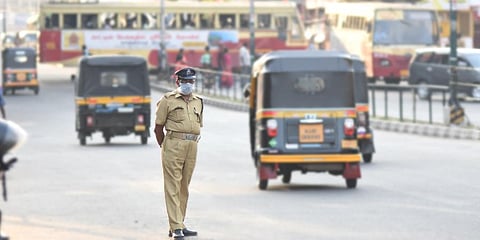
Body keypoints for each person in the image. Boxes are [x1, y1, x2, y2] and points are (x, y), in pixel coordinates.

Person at [154, 67, 203, 239]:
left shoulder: (198, 101)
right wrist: (166, 146)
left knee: (184, 187)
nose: (188, 84)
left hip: (192, 145)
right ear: (177, 82)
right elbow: (158, 127)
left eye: (190, 81)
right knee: (173, 186)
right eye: (184, 81)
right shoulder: (168, 100)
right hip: (174, 144)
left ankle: (179, 223)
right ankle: (176, 228)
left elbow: (199, 125)